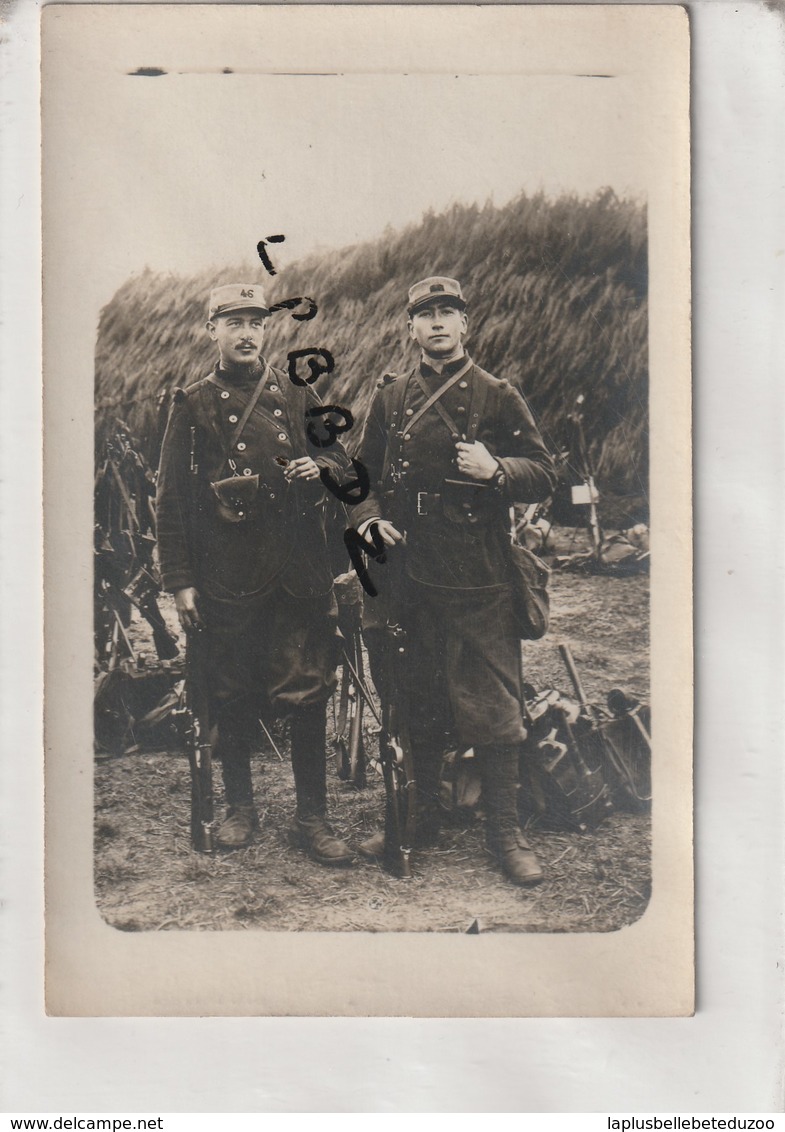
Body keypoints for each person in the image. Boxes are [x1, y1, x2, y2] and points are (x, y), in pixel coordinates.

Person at [351, 276, 557, 885]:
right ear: (410, 328)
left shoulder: (497, 394)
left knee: (495, 708)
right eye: (426, 315)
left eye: (448, 313)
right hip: (411, 577)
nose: (438, 324)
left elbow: (544, 472)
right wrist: (368, 519)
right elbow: (359, 477)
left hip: (480, 577)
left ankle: (505, 832)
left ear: (466, 325)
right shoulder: (390, 399)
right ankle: (418, 816)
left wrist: (498, 469)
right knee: (415, 701)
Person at [156, 283, 354, 864]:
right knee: (231, 690)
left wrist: (314, 467)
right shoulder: (191, 404)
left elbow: (343, 460)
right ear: (211, 330)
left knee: (309, 691)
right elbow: (168, 501)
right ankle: (241, 810)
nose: (246, 333)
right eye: (233, 322)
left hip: (294, 572)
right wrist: (180, 580)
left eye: (255, 323)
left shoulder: (297, 393)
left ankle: (312, 819)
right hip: (226, 576)